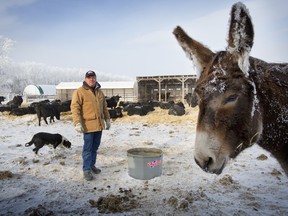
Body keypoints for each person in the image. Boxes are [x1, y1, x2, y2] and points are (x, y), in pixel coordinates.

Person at [71, 70, 111, 181]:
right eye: (89, 77)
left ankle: (92, 165)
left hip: (99, 125)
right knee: (88, 149)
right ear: (85, 79)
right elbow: (75, 108)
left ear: (96, 78)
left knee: (95, 147)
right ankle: (86, 170)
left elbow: (104, 107)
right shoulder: (79, 92)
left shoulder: (99, 92)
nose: (91, 79)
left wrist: (107, 119)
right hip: (88, 126)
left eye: (93, 77)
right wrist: (77, 122)